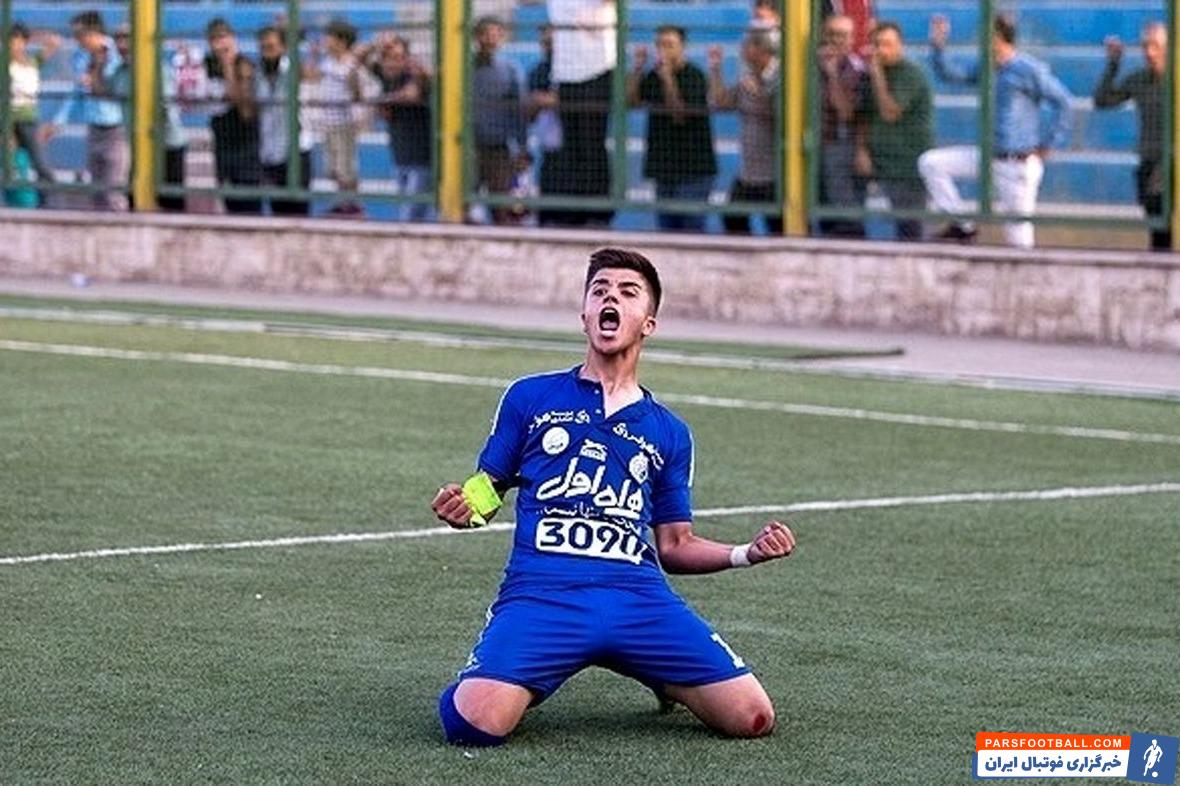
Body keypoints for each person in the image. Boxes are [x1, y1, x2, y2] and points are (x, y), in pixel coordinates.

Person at [430, 246, 797, 747]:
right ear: (584, 314)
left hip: (638, 599)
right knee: (472, 724)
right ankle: (517, 672)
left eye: (627, 293)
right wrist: (466, 507)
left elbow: (675, 546)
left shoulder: (669, 431)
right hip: (544, 593)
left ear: (648, 323)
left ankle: (659, 673)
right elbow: (487, 486)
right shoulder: (529, 397)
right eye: (599, 291)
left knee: (752, 718)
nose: (611, 299)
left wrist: (745, 553)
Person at [919, 13, 1072, 248]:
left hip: (1016, 162)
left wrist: (1049, 144)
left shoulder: (1027, 69)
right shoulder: (987, 67)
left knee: (1019, 239)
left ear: (998, 37)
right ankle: (963, 226)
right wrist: (938, 45)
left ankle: (1024, 272)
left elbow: (1063, 102)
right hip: (987, 156)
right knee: (932, 163)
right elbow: (952, 74)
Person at [627, 26, 717, 233]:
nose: (663, 50)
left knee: (692, 231)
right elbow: (631, 101)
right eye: (659, 44)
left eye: (669, 45)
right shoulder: (653, 76)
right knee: (667, 230)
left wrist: (668, 79)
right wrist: (638, 68)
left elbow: (679, 114)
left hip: (693, 170)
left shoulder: (694, 76)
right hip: (664, 168)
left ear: (682, 47)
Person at [1093, 22, 1169, 250]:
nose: (1150, 53)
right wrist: (1113, 64)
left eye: (1156, 46)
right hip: (1150, 160)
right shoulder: (1140, 80)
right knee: (1158, 228)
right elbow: (1103, 100)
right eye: (1146, 46)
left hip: (1172, 162)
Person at [855, 21, 932, 241]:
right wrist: (861, 150)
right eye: (877, 44)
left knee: (909, 226)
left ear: (900, 45)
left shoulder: (911, 73)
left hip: (907, 164)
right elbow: (864, 116)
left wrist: (877, 74)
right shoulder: (870, 77)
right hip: (879, 159)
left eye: (887, 44)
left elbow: (890, 111)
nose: (881, 50)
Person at [43, 11, 127, 211]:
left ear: (93, 32)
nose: (77, 40)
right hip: (94, 127)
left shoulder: (118, 53)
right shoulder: (81, 57)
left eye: (80, 35)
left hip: (117, 128)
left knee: (114, 189)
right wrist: (58, 122)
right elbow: (77, 92)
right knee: (96, 189)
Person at [546, 0, 617, 226]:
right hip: (566, 73)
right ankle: (574, 209)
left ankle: (598, 212)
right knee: (571, 145)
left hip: (596, 69)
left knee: (591, 144)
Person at [708, 29, 782, 235]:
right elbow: (721, 102)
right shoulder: (747, 79)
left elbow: (781, 116)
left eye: (747, 46)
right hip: (749, 172)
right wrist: (715, 70)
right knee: (733, 218)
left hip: (774, 174)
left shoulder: (781, 78)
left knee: (779, 227)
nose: (742, 51)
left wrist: (758, 95)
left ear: (762, 50)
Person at [362, 33, 434, 222]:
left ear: (407, 59)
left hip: (421, 160)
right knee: (410, 213)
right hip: (400, 157)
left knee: (410, 217)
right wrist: (377, 43)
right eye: (387, 58)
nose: (392, 63)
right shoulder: (386, 76)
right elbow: (358, 56)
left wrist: (381, 100)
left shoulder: (414, 76)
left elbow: (410, 95)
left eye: (397, 58)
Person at [471, 16, 528, 225]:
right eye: (485, 34)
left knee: (503, 210)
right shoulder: (461, 69)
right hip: (468, 149)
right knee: (462, 210)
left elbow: (519, 111)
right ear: (476, 37)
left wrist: (522, 147)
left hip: (499, 149)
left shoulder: (510, 70)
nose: (490, 39)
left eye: (496, 34)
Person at [306, 18, 364, 216]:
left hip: (344, 122)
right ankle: (342, 202)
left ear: (341, 41)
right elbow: (310, 76)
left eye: (329, 37)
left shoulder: (350, 64)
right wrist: (313, 55)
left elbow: (356, 92)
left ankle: (353, 204)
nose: (325, 41)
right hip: (328, 122)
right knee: (333, 168)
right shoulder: (327, 62)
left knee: (345, 167)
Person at [202, 18, 261, 215]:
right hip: (222, 141)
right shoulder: (208, 65)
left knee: (248, 202)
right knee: (229, 202)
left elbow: (243, 108)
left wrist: (228, 66)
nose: (219, 44)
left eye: (223, 38)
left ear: (232, 39)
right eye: (214, 39)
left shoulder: (244, 64)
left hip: (245, 143)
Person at [254, 25, 313, 216]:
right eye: (263, 48)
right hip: (270, 151)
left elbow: (306, 71)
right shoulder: (257, 73)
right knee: (278, 210)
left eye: (271, 47)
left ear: (282, 47)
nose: (267, 52)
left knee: (299, 211)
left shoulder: (291, 69)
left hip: (295, 151)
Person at [816, 14, 866, 238]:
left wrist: (833, 74)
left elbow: (846, 112)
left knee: (844, 209)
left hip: (842, 144)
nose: (838, 41)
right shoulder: (809, 65)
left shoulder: (857, 70)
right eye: (833, 35)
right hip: (814, 144)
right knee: (821, 209)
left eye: (844, 36)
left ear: (852, 39)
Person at [7, 22, 61, 196]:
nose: (14, 46)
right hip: (8, 120)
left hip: (28, 118)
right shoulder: (5, 64)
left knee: (40, 162)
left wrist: (32, 36)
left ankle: (49, 199)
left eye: (18, 41)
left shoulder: (33, 62)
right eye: (10, 42)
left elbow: (55, 42)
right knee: (9, 164)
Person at [527, 24, 567, 227]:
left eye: (553, 42)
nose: (549, 47)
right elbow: (530, 109)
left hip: (575, 145)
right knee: (548, 203)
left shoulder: (574, 69)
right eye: (545, 42)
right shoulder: (539, 71)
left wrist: (553, 99)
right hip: (550, 145)